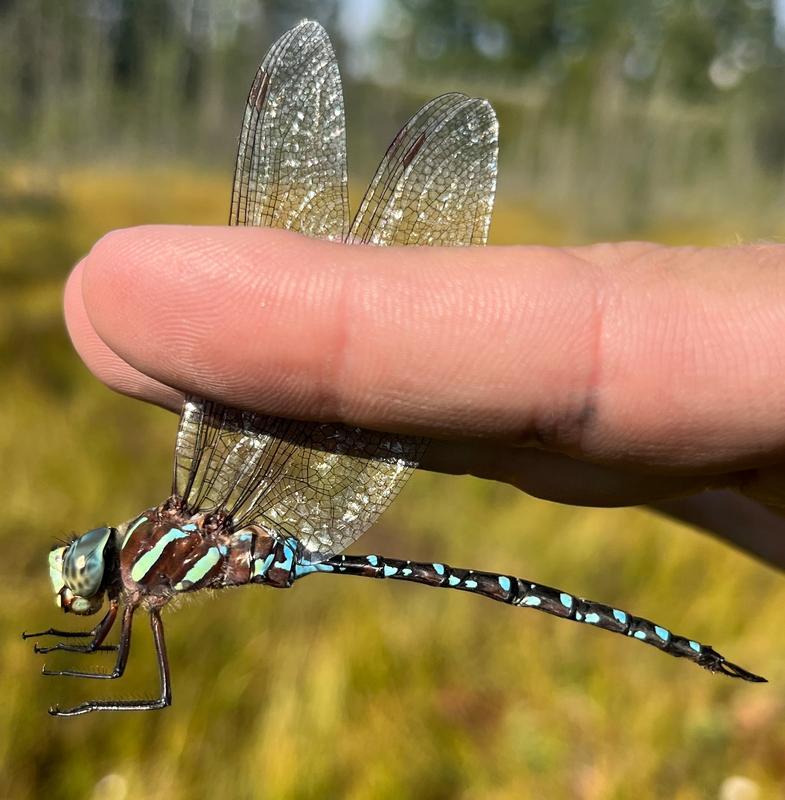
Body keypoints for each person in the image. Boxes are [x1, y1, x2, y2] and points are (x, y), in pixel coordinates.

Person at [64, 225, 785, 569]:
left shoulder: (158, 556)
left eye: (84, 563)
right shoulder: (152, 568)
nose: (84, 570)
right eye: (84, 564)